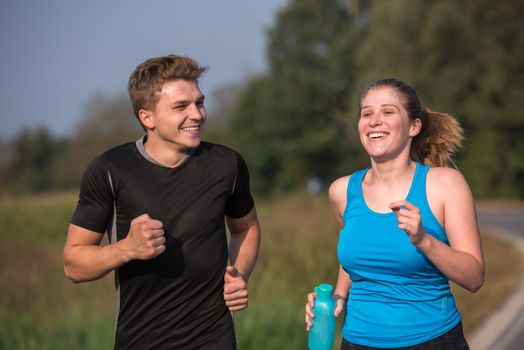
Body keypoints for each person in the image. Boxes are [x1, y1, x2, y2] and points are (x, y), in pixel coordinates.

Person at [63, 54, 261, 350]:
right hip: (141, 341)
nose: (196, 114)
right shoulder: (110, 169)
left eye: (199, 102)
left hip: (214, 338)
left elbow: (247, 228)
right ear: (147, 117)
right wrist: (126, 249)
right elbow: (73, 265)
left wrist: (238, 274)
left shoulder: (226, 164)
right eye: (181, 106)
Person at [305, 78, 484, 349]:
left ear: (414, 126)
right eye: (367, 113)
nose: (374, 120)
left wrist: (424, 240)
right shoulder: (342, 191)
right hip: (357, 342)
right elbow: (355, 260)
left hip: (432, 341)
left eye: (388, 112)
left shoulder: (445, 185)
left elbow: (474, 278)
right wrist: (336, 298)